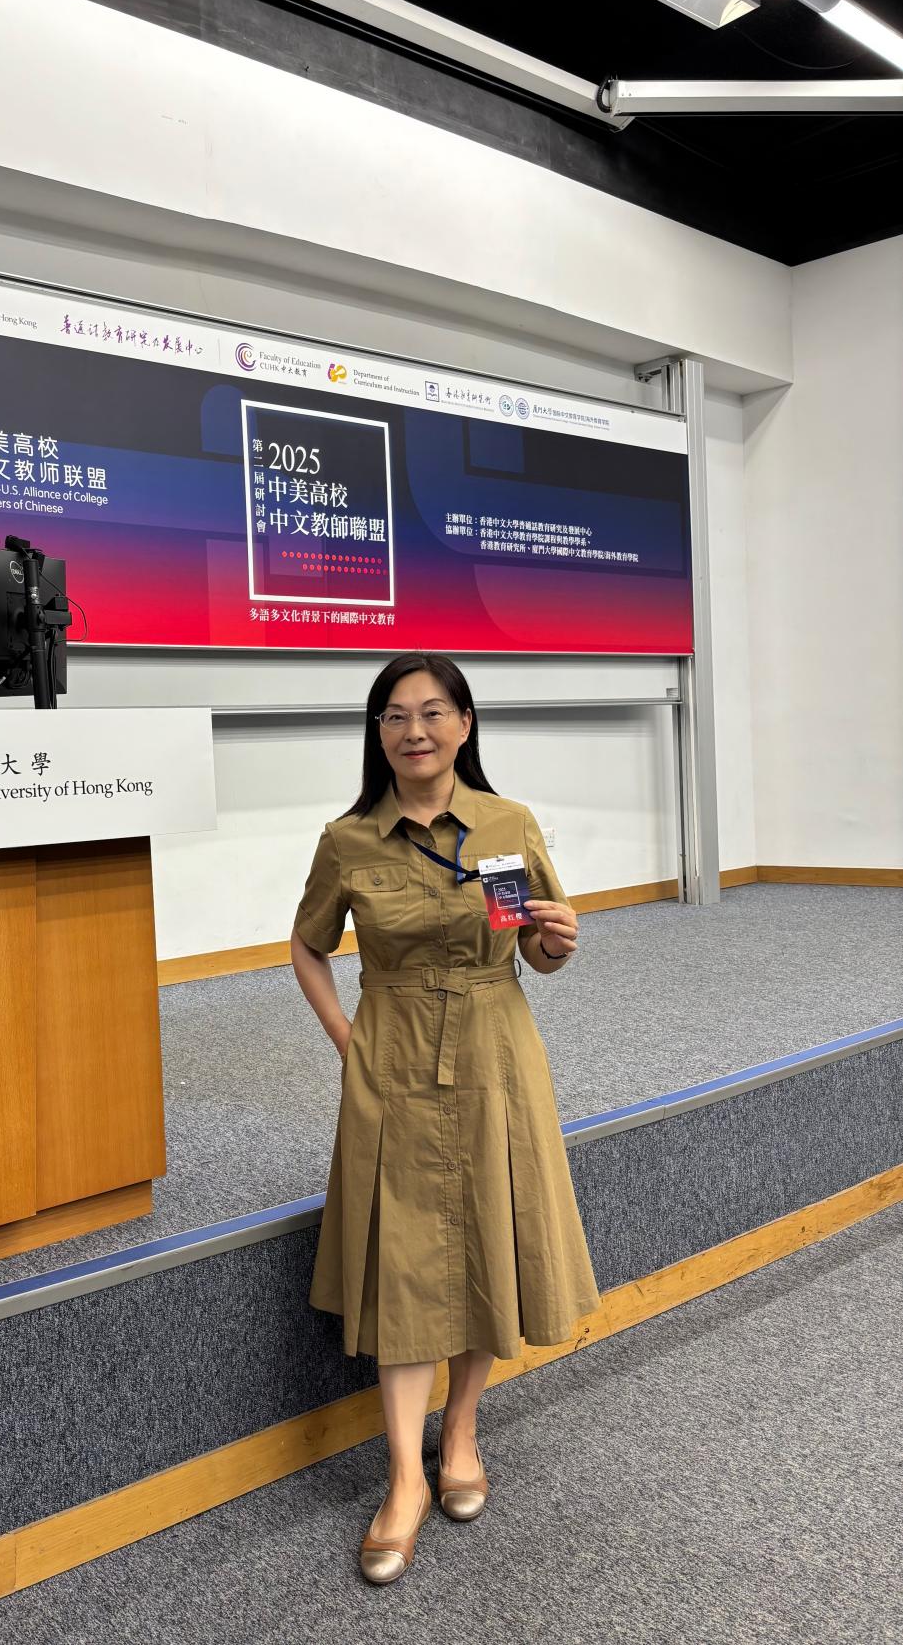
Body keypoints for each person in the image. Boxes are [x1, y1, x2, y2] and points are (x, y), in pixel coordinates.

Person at [290, 652, 602, 1584]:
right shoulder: (348, 840)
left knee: (482, 1239)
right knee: (403, 1263)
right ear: (377, 734)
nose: (413, 730)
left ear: (465, 725)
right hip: (391, 1055)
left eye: (432, 712)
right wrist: (346, 1039)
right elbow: (307, 945)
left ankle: (460, 1433)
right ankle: (403, 1478)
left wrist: (556, 941)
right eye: (394, 715)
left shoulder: (505, 825)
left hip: (493, 1047)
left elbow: (528, 946)